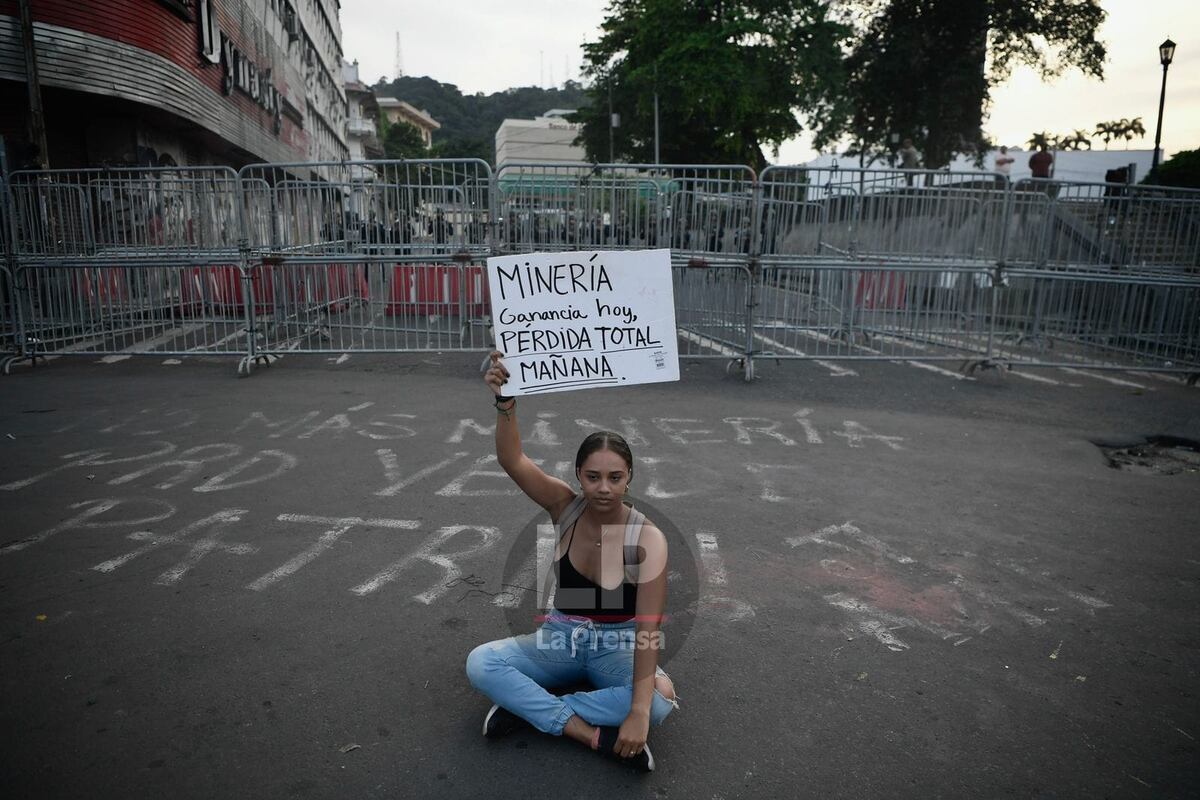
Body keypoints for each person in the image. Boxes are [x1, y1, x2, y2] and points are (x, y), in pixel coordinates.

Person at [466, 352, 679, 772]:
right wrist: (505, 402)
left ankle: (529, 710)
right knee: (481, 662)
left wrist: (638, 712)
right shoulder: (564, 506)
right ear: (578, 475)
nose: (603, 488)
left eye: (614, 477)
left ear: (630, 476)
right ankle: (585, 732)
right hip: (560, 639)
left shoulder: (647, 538)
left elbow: (647, 632)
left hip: (616, 645)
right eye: (592, 477)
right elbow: (513, 461)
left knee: (657, 702)